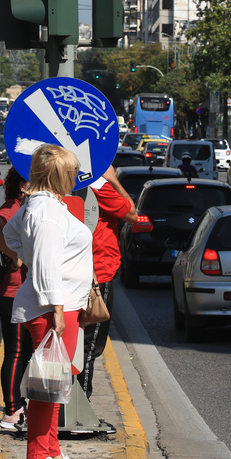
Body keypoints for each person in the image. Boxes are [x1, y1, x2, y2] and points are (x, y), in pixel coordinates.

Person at [3, 144, 94, 459]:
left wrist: (23, 251)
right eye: (71, 172)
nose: (75, 177)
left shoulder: (40, 205)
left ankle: (51, 452)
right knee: (48, 386)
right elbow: (44, 265)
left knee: (55, 384)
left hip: (57, 305)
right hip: (52, 309)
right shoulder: (46, 212)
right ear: (58, 175)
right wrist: (56, 308)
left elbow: (9, 235)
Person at [0, 169, 32, 431]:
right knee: (16, 350)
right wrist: (14, 255)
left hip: (18, 292)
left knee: (23, 351)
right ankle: (12, 411)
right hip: (13, 291)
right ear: (23, 186)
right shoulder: (14, 208)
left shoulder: (20, 207)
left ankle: (19, 407)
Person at [79, 166, 135, 404]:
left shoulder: (58, 180)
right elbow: (132, 212)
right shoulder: (99, 185)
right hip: (97, 274)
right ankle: (80, 406)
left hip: (70, 271)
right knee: (90, 346)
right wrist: (112, 179)